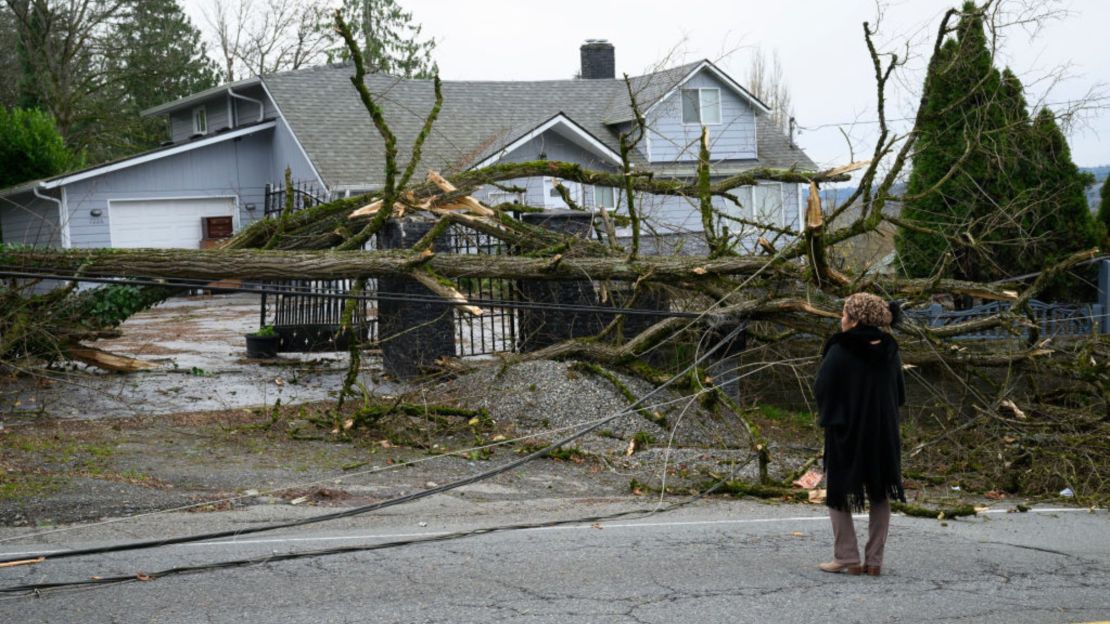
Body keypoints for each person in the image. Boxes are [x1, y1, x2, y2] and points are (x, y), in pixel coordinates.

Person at [814, 292, 906, 576]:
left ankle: (847, 557)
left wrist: (833, 416)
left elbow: (822, 388)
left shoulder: (841, 348)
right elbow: (900, 393)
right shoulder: (891, 349)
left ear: (854, 320)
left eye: (844, 314)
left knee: (839, 491)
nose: (841, 319)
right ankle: (874, 561)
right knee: (880, 492)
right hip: (883, 432)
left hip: (848, 430)